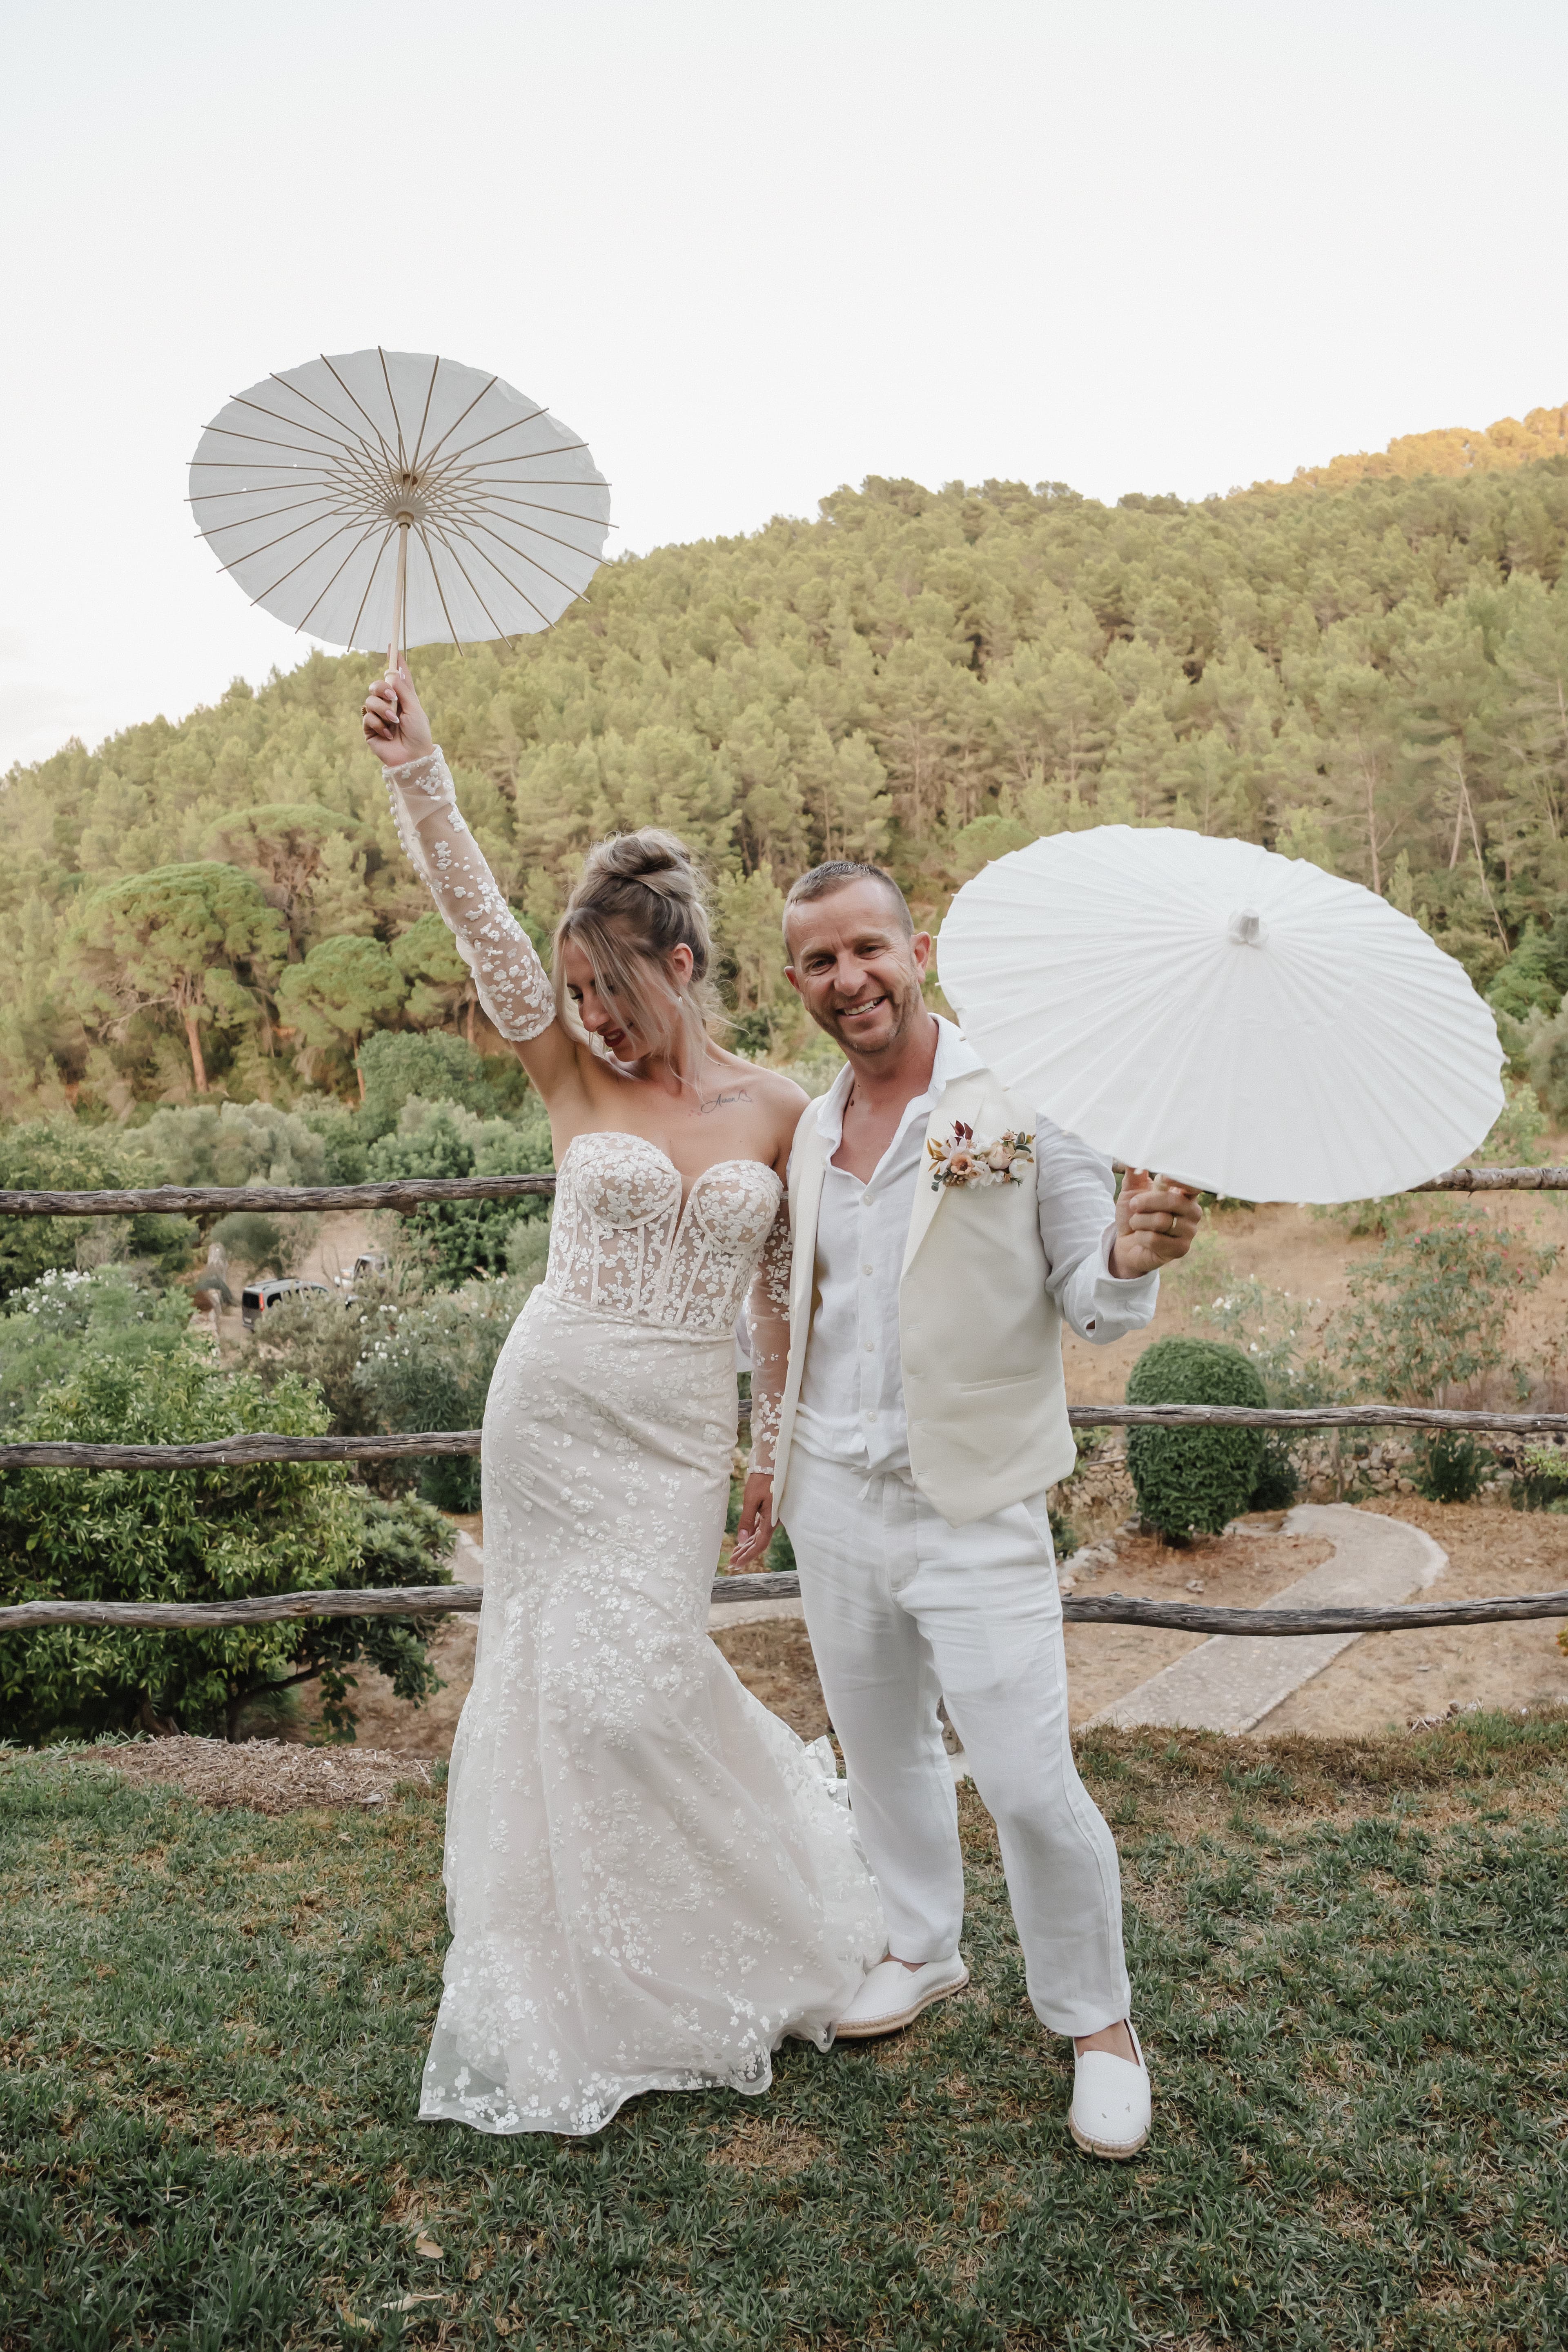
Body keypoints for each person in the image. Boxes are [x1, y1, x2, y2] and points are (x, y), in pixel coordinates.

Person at [360, 664, 883, 2138]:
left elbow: (781, 1295)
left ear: (690, 966)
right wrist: (424, 776)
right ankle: (579, 1974)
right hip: (552, 1409)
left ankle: (741, 1928)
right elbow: (477, 922)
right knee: (551, 1683)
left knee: (642, 1679)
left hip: (671, 1439)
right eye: (577, 990)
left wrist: (764, 1454)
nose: (591, 1014)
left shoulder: (782, 1106)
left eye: (615, 987)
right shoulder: (569, 1081)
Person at [731, 860, 1201, 2160]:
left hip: (980, 1500)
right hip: (837, 1494)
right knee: (879, 1753)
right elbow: (800, 1312)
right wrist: (773, 1461)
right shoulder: (811, 1131)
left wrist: (1134, 1253)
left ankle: (1099, 2023)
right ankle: (923, 1946)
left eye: (868, 949)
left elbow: (1089, 1293)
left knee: (1029, 1781)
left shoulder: (1028, 1098)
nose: (850, 981)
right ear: (796, 983)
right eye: (820, 962)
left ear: (917, 948)